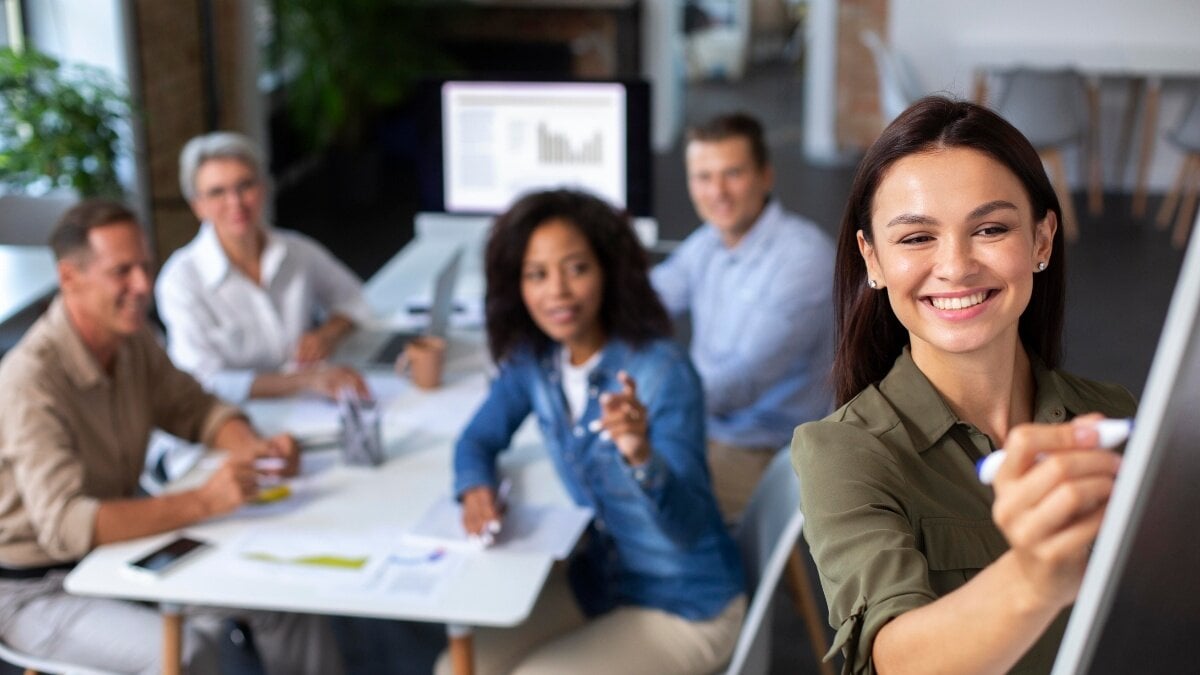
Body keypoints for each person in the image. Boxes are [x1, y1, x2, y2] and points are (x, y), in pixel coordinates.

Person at [791, 96, 1137, 674]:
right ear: (871, 259)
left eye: (991, 228)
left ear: (1042, 240)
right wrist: (1034, 576)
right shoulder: (843, 452)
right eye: (916, 238)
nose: (955, 266)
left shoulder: (1107, 416)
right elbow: (896, 659)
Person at [0, 200, 345, 674]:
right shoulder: (30, 380)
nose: (144, 286)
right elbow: (66, 526)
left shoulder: (132, 339)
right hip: (37, 589)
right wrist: (205, 501)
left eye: (145, 265)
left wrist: (252, 448)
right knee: (182, 654)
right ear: (69, 278)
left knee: (281, 597)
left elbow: (196, 408)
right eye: (122, 271)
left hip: (116, 557)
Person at [437, 190, 745, 675]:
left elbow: (686, 524)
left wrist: (641, 456)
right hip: (601, 585)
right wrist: (474, 487)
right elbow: (477, 438)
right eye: (537, 274)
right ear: (516, 285)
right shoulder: (535, 360)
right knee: (458, 667)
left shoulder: (662, 371)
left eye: (576, 268)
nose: (556, 291)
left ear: (607, 270)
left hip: (685, 603)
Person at [652, 112, 836, 524]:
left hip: (762, 453)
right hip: (706, 430)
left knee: (627, 490)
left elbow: (743, 381)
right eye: (703, 177)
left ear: (765, 176)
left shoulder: (803, 259)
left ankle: (703, 587)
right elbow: (647, 301)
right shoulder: (710, 242)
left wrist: (652, 403)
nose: (716, 192)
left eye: (732, 174)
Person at [157, 131, 370, 404]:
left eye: (244, 185)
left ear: (263, 188)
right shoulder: (181, 280)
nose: (235, 202)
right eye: (217, 192)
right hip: (241, 415)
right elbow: (203, 379)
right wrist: (304, 380)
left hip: (311, 404)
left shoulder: (296, 250)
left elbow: (354, 299)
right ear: (198, 206)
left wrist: (327, 334)